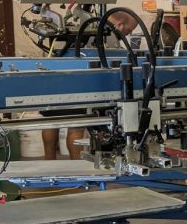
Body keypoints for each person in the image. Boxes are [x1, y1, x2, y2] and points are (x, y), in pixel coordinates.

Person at [41, 10, 140, 160]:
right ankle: (77, 168)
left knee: (50, 123)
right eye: (129, 30)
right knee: (75, 127)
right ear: (120, 24)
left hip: (53, 77)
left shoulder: (78, 22)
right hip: (76, 82)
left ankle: (48, 163)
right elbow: (112, 59)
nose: (128, 34)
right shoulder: (107, 33)